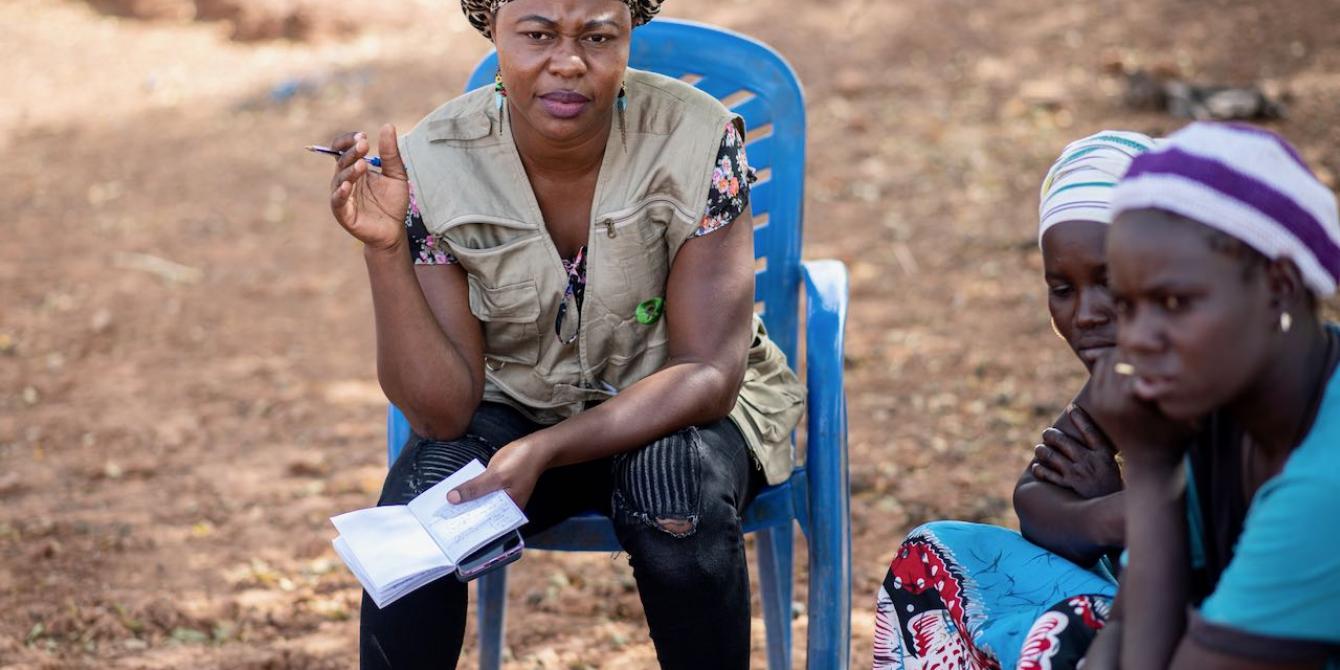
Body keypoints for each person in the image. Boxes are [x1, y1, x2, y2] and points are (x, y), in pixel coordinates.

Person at [323, 0, 805, 667]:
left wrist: (548, 449)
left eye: (598, 36)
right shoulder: (432, 161)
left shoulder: (701, 137)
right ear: (492, 27)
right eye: (538, 34)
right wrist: (385, 251)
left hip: (672, 408)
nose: (569, 62)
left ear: (630, 34)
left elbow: (707, 375)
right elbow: (442, 414)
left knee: (675, 498)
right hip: (515, 403)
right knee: (420, 517)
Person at [873, 131, 1157, 670]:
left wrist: (1106, 510)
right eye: (1064, 289)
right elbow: (1034, 502)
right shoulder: (1115, 384)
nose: (1087, 313)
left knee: (1068, 629)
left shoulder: (1218, 384)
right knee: (933, 554)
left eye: (1109, 281)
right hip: (1144, 588)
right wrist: (1109, 514)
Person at [1085, 122, 1340, 670]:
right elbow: (1127, 623)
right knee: (946, 557)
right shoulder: (1221, 401)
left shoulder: (1327, 485)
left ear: (1279, 286)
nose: (1136, 339)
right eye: (1127, 305)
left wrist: (1153, 472)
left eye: (1173, 302)